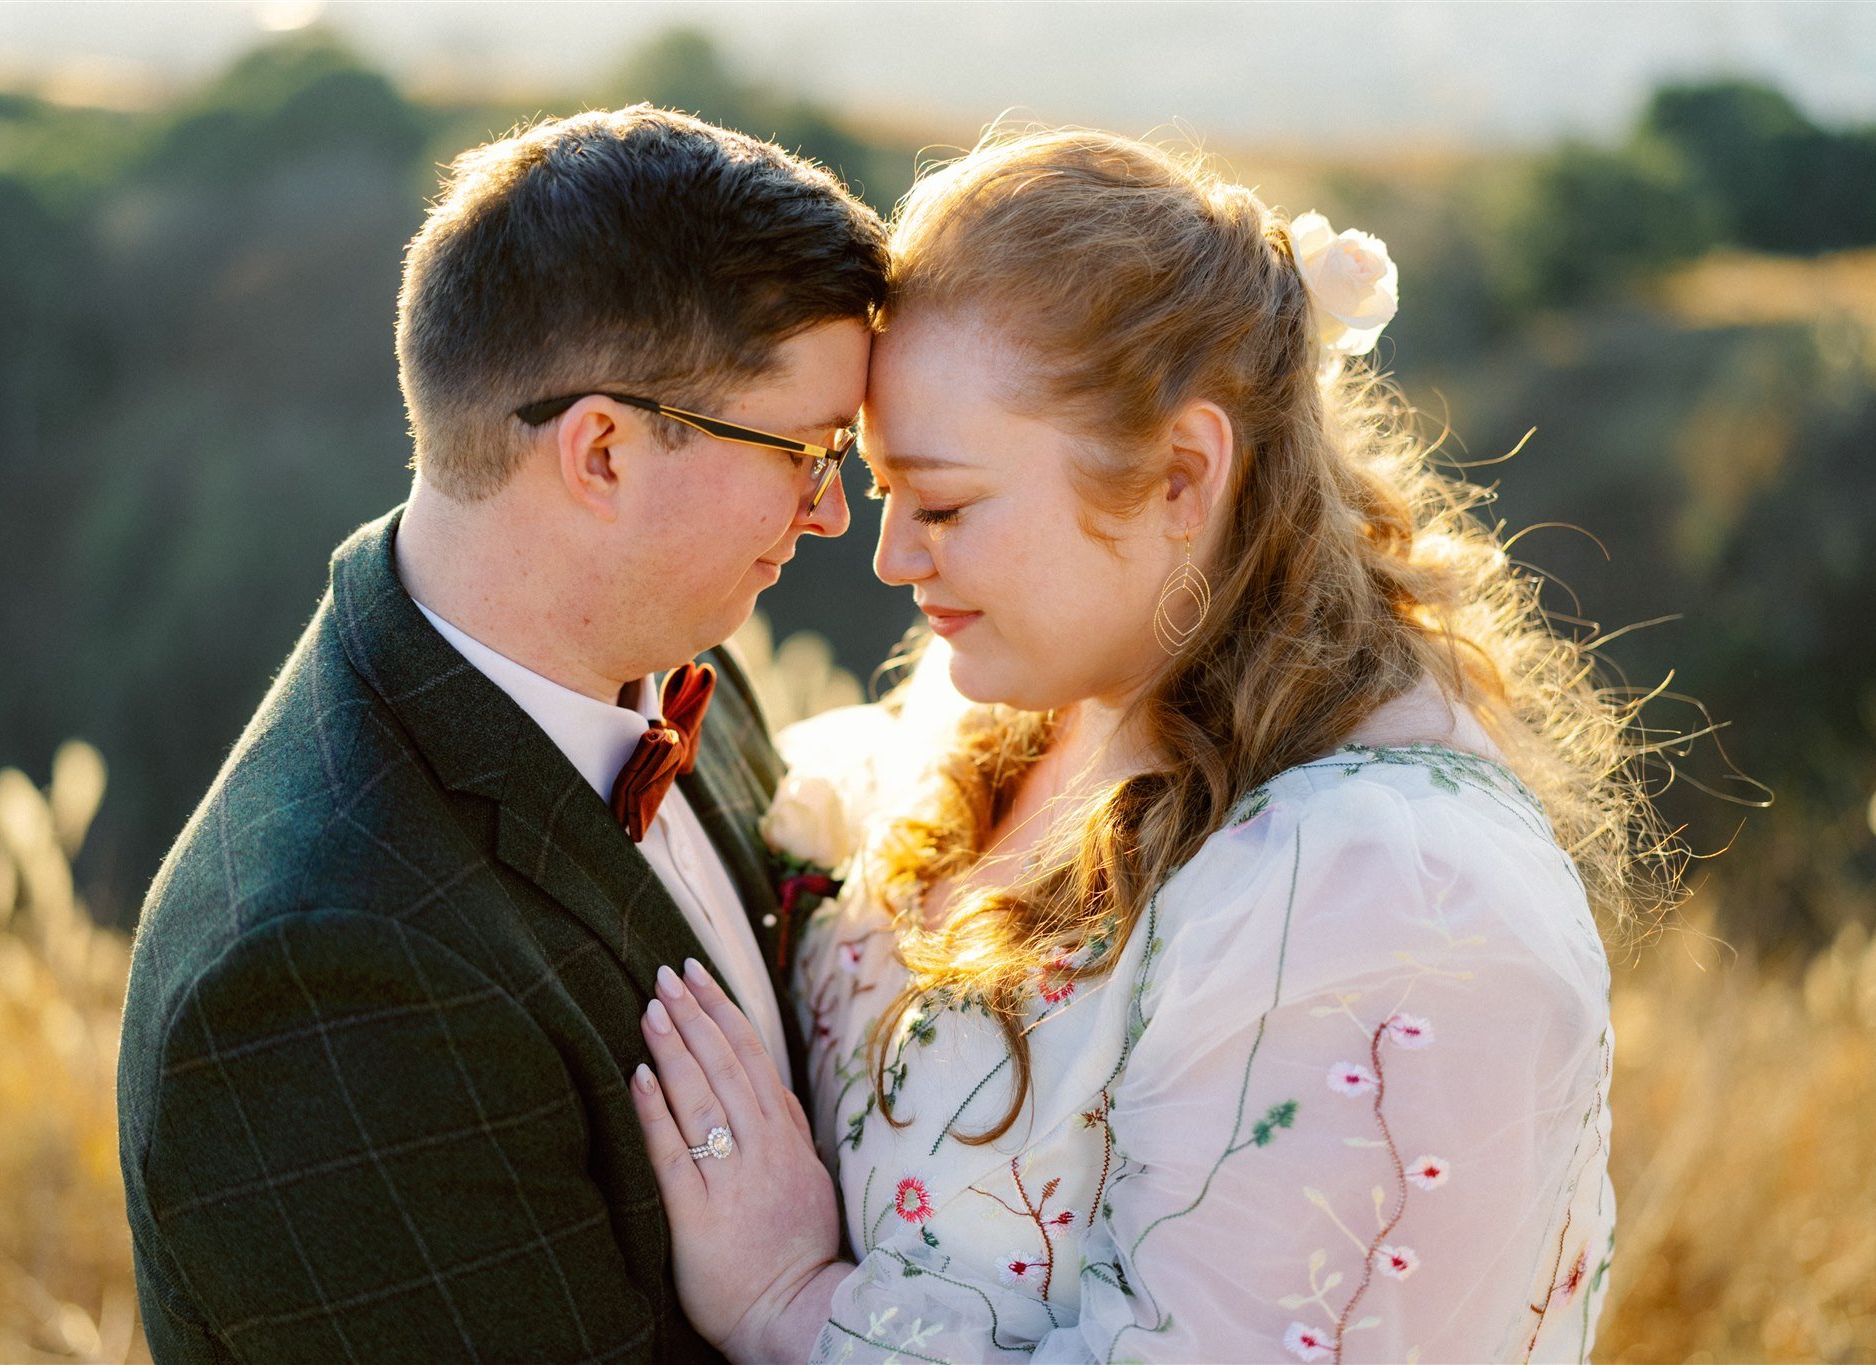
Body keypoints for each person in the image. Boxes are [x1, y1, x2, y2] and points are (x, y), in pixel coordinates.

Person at [629, 128, 1664, 1362]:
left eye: (946, 504)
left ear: (1182, 475)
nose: (893, 555)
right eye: (885, 489)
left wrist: (787, 1307)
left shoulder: (1389, 902)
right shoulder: (1022, 699)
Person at [115, 105, 887, 1361]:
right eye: (806, 452)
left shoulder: (680, 664)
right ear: (601, 453)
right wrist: (786, 1308)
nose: (830, 514)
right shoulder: (321, 985)